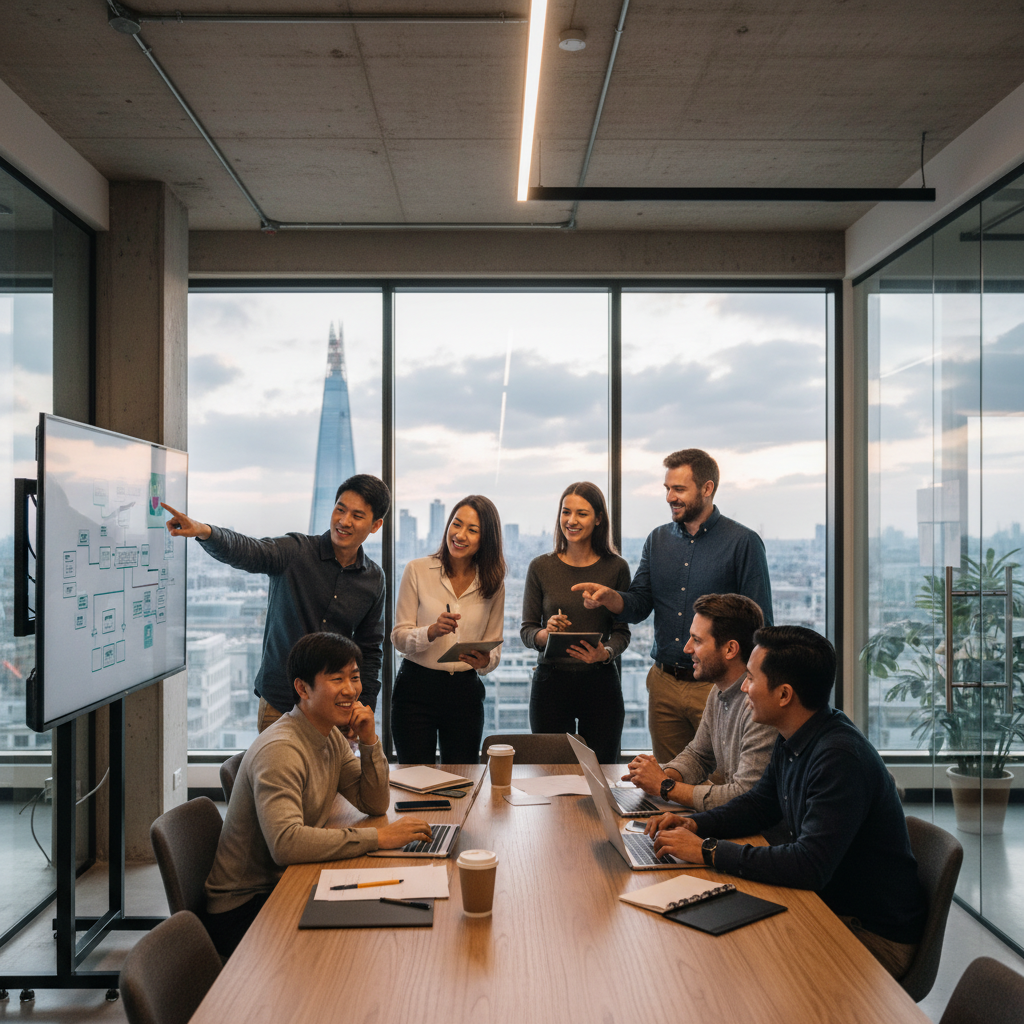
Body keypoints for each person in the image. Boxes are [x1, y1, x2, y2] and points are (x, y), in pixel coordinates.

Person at [647, 626, 926, 980]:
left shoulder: (840, 759)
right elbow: (759, 805)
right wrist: (697, 825)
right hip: (829, 904)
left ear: (783, 695)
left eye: (750, 678)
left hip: (868, 933)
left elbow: (809, 865)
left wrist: (707, 850)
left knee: (735, 968)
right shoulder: (795, 732)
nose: (744, 687)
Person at [202, 632, 432, 957]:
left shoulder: (328, 735)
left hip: (286, 881)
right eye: (337, 679)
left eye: (354, 677)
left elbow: (373, 801)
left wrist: (369, 740)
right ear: (303, 688)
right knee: (373, 939)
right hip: (245, 907)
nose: (351, 689)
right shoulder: (282, 750)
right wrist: (378, 838)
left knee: (389, 919)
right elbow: (286, 845)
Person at [572, 448, 773, 763]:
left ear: (707, 489)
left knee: (722, 781)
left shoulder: (742, 543)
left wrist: (751, 683)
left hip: (717, 687)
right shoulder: (657, 540)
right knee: (667, 780)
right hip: (664, 685)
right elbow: (639, 604)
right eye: (667, 489)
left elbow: (760, 624)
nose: (669, 497)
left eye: (679, 489)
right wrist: (611, 598)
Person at [162, 473, 389, 732]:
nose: (344, 521)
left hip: (334, 707)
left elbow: (370, 649)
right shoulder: (296, 551)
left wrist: (365, 705)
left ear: (375, 525)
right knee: (274, 772)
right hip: (281, 703)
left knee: (333, 774)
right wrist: (206, 532)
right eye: (340, 509)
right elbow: (250, 550)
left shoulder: (373, 579)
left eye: (357, 516)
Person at [622, 593, 774, 809]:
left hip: (760, 836)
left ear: (730, 649)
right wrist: (658, 776)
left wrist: (665, 787)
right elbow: (699, 756)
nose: (687, 648)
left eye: (697, 640)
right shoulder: (719, 689)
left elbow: (744, 796)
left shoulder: (759, 704)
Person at [520, 482, 631, 763]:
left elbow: (622, 632)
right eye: (566, 512)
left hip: (600, 682)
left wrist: (604, 653)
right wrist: (546, 633)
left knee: (603, 769)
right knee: (551, 771)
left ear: (598, 519)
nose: (571, 520)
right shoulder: (540, 567)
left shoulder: (616, 567)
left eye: (581, 513)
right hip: (551, 682)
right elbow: (527, 630)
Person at [391, 495, 505, 764]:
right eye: (456, 524)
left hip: (465, 692)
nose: (460, 535)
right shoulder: (417, 570)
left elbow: (495, 646)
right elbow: (398, 637)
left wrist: (486, 660)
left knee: (462, 779)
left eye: (472, 530)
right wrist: (429, 631)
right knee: (415, 779)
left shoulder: (493, 582)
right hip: (416, 689)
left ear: (485, 539)